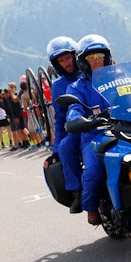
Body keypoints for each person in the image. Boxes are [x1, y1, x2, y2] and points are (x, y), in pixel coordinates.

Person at [66, 34, 115, 224]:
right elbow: (73, 108)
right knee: (93, 170)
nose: (96, 60)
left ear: (106, 57)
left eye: (100, 56)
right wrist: (77, 119)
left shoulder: (119, 77)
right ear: (83, 61)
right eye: (91, 57)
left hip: (124, 128)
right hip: (94, 134)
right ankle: (91, 206)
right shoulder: (77, 87)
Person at [46, 36, 84, 213]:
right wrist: (55, 149)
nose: (67, 63)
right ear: (57, 64)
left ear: (75, 56)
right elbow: (60, 118)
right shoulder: (58, 85)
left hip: (104, 122)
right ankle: (77, 191)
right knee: (65, 148)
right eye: (61, 61)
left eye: (68, 58)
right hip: (78, 129)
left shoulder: (91, 73)